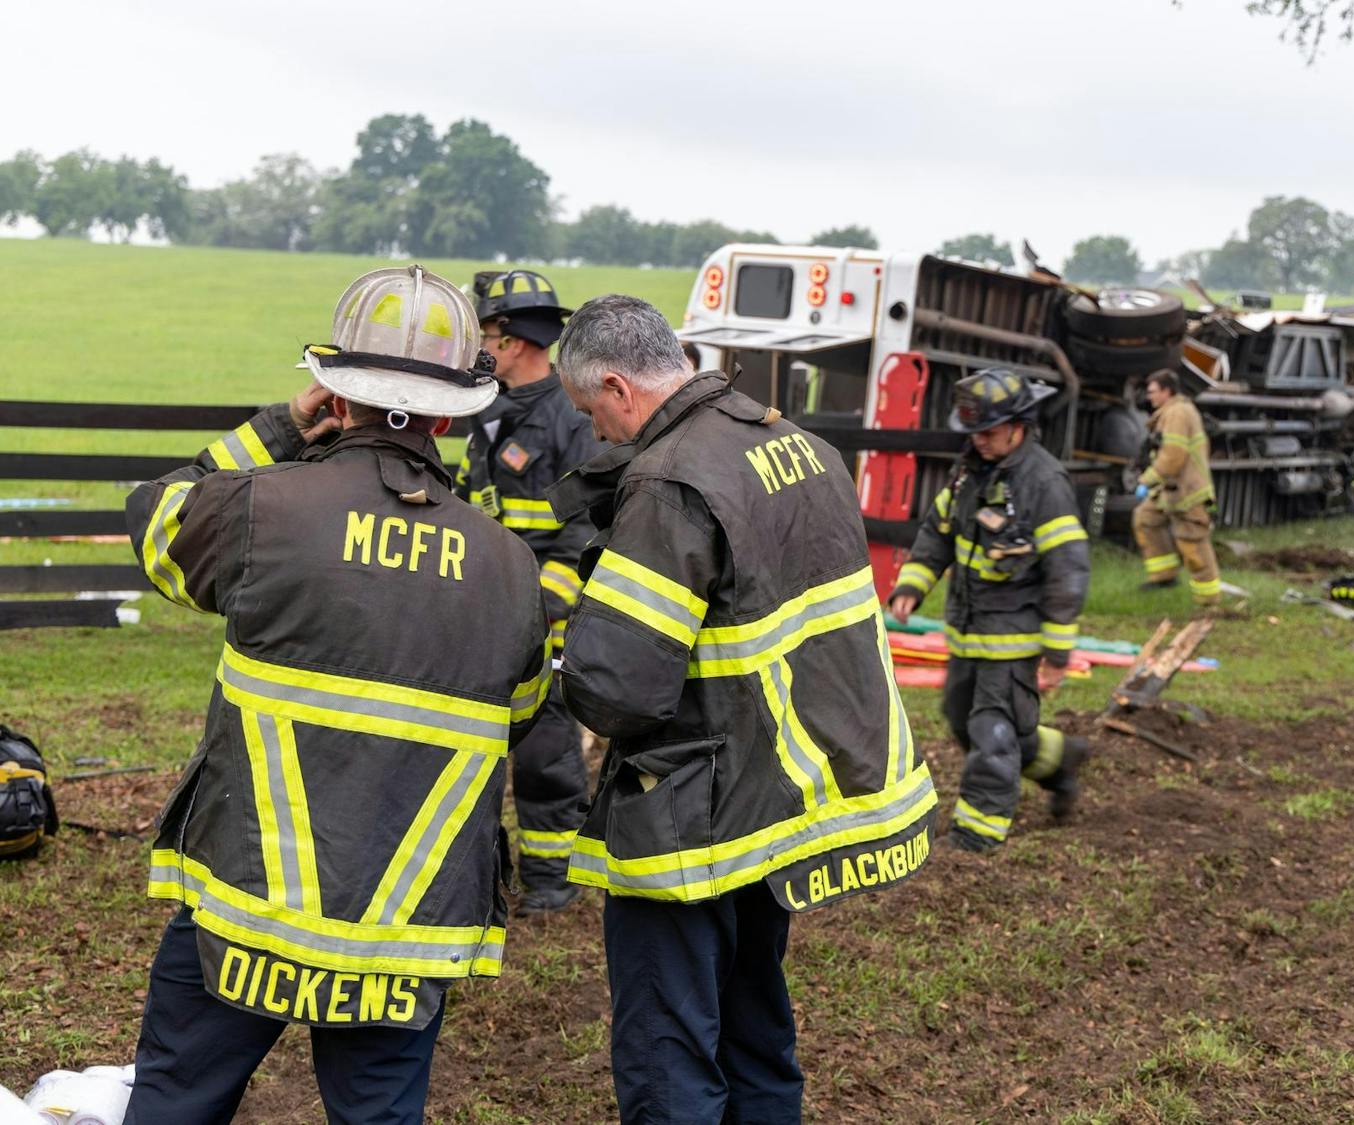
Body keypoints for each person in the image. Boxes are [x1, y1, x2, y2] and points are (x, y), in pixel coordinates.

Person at [121, 265, 550, 1125]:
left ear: (335, 394)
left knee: (176, 1099)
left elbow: (154, 518)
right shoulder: (512, 567)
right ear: (447, 412)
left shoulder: (262, 511)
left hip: (250, 907)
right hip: (404, 925)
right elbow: (522, 710)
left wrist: (277, 428)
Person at [546, 295, 938, 1124]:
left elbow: (619, 688)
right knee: (756, 1026)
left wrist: (560, 648)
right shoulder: (797, 444)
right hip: (782, 798)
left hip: (693, 816)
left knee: (669, 1046)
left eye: (590, 413)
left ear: (617, 386)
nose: (597, 435)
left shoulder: (667, 481)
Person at [888, 368, 1091, 851]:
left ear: (1020, 425)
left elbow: (1069, 570)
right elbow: (937, 533)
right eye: (973, 431)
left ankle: (976, 837)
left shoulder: (1045, 482)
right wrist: (912, 587)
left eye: (989, 431)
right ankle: (1061, 760)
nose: (979, 440)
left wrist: (1058, 653)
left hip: (1014, 641)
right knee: (964, 720)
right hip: (968, 635)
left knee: (992, 731)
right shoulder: (967, 475)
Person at [454, 269, 601, 916]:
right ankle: (486, 868)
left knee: (545, 755)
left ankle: (550, 877)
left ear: (512, 341)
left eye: (486, 334)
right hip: (481, 613)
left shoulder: (571, 417)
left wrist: (542, 606)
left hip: (548, 621)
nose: (480, 346)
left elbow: (587, 529)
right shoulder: (481, 411)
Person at [1132, 368, 1221, 606]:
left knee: (1192, 543)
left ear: (1166, 391)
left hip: (1188, 491)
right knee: (1146, 518)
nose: (1149, 397)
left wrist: (1146, 480)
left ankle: (1208, 599)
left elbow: (1173, 456)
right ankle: (1164, 576)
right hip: (1171, 488)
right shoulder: (1170, 412)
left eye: (1152, 392)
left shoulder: (1178, 413)